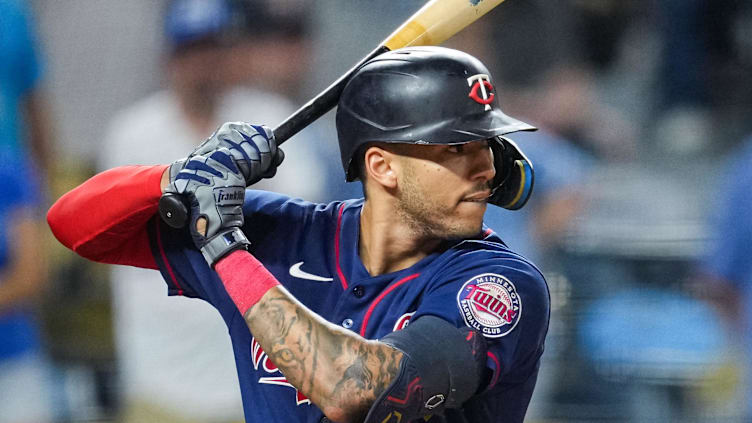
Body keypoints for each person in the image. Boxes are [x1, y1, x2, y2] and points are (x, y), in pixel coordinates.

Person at [48, 46, 550, 422]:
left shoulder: (498, 285)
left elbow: (352, 390)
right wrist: (180, 176)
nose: (486, 167)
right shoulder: (282, 232)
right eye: (457, 147)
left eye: (488, 143)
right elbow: (74, 225)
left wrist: (226, 251)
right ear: (383, 166)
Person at [98, 0, 327, 421]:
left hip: (255, 369)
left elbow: (301, 225)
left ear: (232, 53)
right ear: (169, 57)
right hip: (160, 375)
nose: (204, 63)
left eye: (213, 48)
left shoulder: (269, 120)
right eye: (192, 50)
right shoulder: (132, 134)